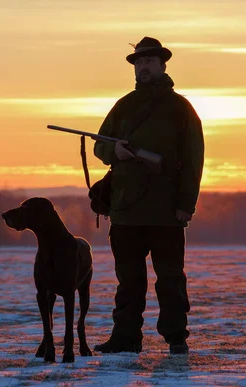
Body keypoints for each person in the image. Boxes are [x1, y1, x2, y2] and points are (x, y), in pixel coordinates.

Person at [93, 37, 204, 355]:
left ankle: (176, 338)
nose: (143, 67)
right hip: (126, 210)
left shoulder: (180, 108)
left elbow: (194, 159)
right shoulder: (124, 106)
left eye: (149, 62)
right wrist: (114, 150)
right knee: (128, 281)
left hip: (166, 211)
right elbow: (100, 145)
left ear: (162, 65)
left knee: (170, 279)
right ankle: (125, 338)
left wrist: (186, 205)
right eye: (139, 62)